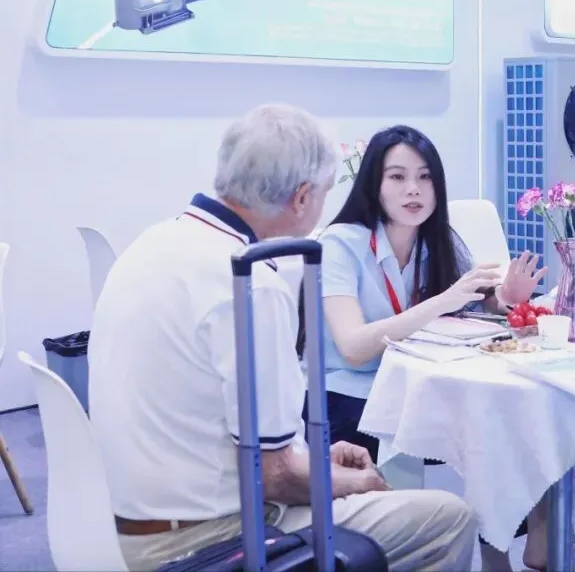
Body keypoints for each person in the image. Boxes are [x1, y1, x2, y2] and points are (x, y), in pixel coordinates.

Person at [88, 105, 476, 572]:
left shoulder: (155, 242)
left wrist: (317, 458)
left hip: (130, 519)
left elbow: (216, 424)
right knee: (449, 517)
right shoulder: (249, 280)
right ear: (302, 198)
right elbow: (275, 479)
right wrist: (355, 483)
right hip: (212, 535)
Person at [310, 124, 575, 572]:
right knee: (485, 421)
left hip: (425, 384)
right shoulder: (341, 243)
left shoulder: (435, 238)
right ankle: (499, 554)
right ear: (374, 184)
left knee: (507, 413)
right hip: (352, 397)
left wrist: (506, 299)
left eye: (425, 177)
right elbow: (354, 346)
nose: (414, 189)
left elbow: (478, 300)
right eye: (397, 177)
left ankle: (518, 546)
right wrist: (443, 301)